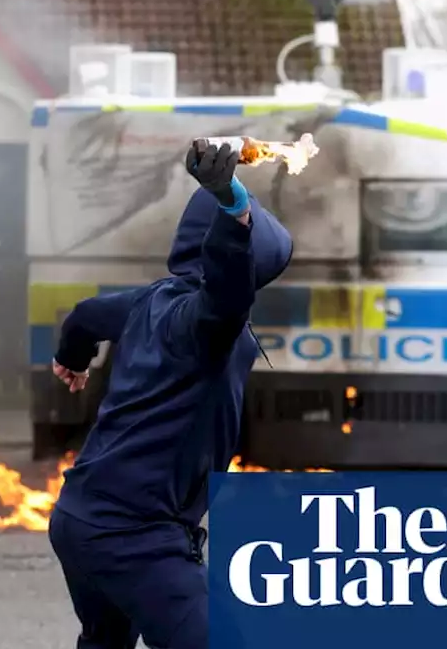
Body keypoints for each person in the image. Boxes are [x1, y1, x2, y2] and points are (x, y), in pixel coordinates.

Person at [47, 141, 294, 649]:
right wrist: (234, 208)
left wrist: (72, 355)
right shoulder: (205, 323)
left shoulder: (152, 300)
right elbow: (225, 295)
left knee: (105, 641)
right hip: (133, 536)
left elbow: (87, 315)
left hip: (80, 516)